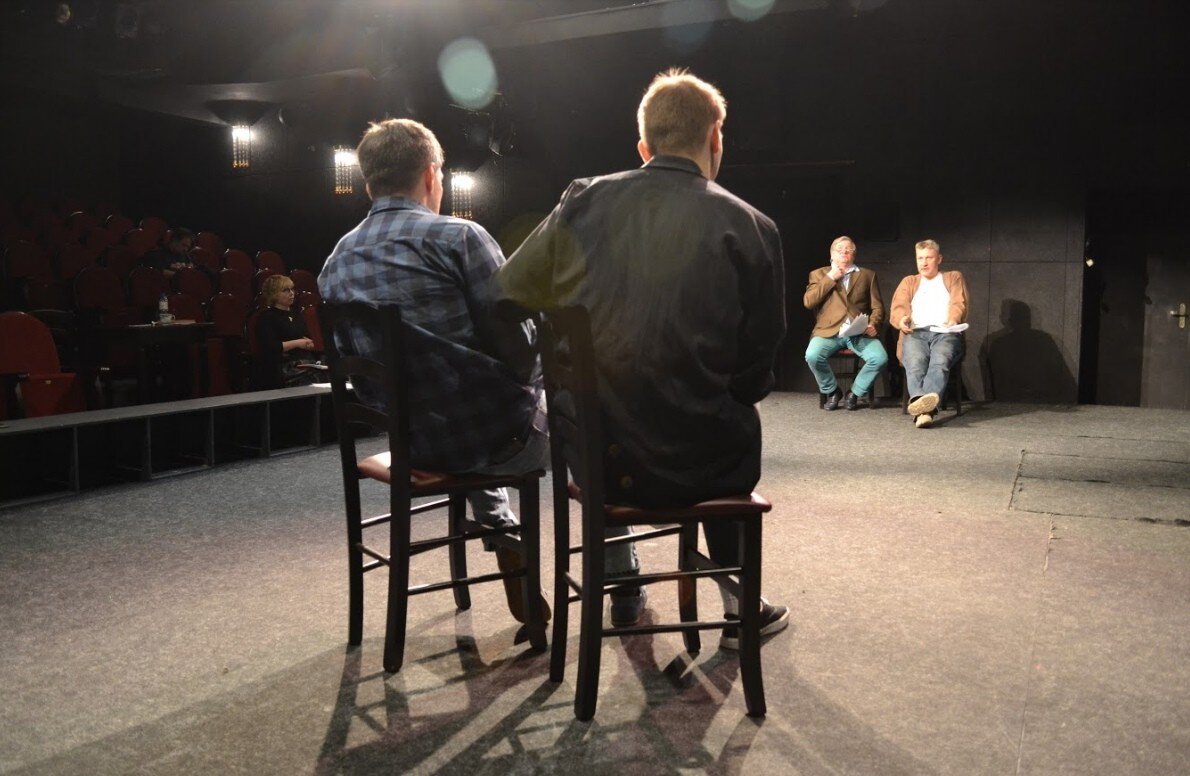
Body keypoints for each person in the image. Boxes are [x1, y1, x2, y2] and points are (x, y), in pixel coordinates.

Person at [494, 68, 789, 648]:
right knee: (731, 417)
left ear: (643, 146)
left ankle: (622, 586)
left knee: (597, 409)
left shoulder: (582, 200)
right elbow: (757, 370)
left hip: (596, 456)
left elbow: (505, 299)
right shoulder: (752, 226)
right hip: (702, 462)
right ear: (716, 139)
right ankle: (738, 606)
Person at [317, 118, 549, 628]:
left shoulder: (335, 262)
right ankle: (623, 585)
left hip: (414, 442)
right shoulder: (460, 237)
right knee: (575, 412)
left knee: (462, 399)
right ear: (430, 174)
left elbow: (363, 379)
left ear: (369, 183)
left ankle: (504, 532)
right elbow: (518, 353)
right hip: (494, 437)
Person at [889, 239, 969, 428]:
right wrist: (902, 319)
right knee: (915, 362)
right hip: (915, 332)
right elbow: (898, 306)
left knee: (940, 361)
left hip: (945, 333)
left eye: (929, 258)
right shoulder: (909, 281)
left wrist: (953, 319)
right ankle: (925, 411)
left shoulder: (953, 277)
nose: (924, 263)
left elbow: (959, 302)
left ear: (939, 259)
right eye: (920, 258)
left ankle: (922, 410)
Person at [803, 236, 887, 410]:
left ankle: (854, 393)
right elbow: (809, 301)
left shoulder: (867, 275)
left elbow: (878, 307)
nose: (844, 253)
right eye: (839, 250)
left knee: (879, 358)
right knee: (812, 355)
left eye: (848, 250)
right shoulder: (818, 274)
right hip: (828, 331)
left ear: (853, 254)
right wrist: (830, 278)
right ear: (831, 254)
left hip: (858, 331)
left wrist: (874, 324)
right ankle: (832, 391)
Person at [253, 274, 319, 389]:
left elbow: (306, 338)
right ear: (274, 294)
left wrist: (309, 344)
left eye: (292, 289)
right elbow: (271, 346)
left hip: (304, 361)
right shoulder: (267, 317)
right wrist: (298, 343)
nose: (291, 293)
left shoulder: (297, 314)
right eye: (285, 290)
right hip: (282, 366)